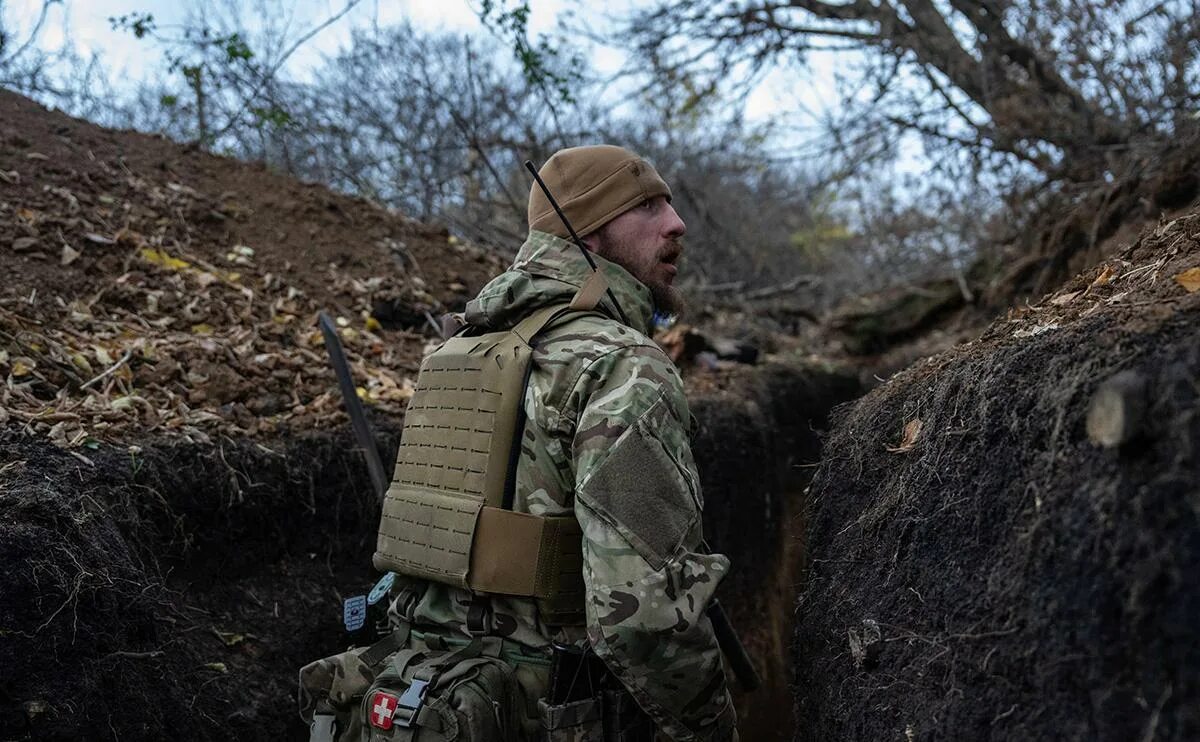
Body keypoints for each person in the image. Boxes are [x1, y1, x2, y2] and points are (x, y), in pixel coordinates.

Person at [301, 145, 738, 742]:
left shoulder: (457, 353)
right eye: (646, 205)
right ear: (589, 231)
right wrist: (712, 728)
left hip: (417, 703)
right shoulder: (621, 365)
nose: (676, 221)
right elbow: (643, 619)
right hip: (549, 714)